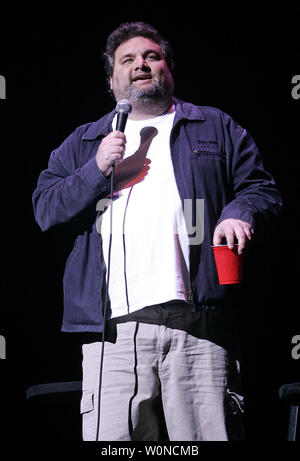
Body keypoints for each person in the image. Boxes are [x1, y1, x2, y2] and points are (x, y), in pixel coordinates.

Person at [32, 22, 282, 441]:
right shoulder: (87, 140)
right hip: (113, 332)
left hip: (200, 326)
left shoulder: (213, 126)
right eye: (127, 60)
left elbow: (261, 187)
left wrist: (238, 212)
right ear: (112, 81)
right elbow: (45, 207)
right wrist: (95, 169)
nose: (141, 65)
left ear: (168, 69)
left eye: (151, 56)